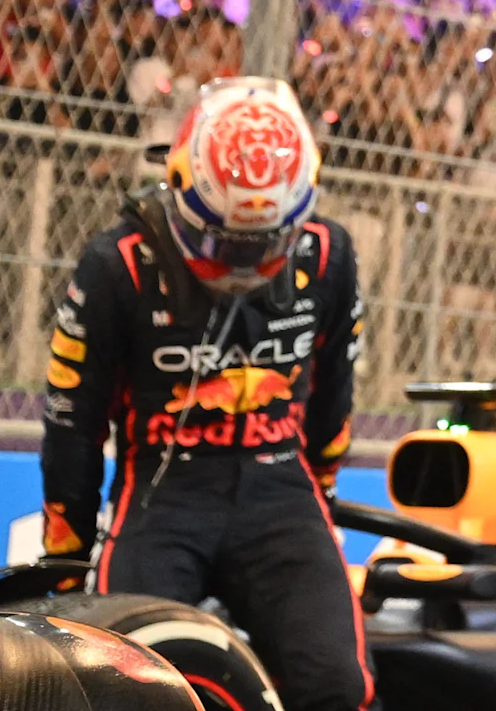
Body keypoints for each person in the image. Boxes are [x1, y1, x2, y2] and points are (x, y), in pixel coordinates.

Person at [41, 76, 369, 711]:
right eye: (222, 241)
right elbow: (71, 426)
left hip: (279, 491)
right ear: (181, 190)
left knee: (339, 685)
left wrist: (322, 491)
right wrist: (66, 560)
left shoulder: (330, 255)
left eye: (264, 243)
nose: (241, 264)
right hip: (163, 498)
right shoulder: (118, 264)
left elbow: (335, 395)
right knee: (109, 681)